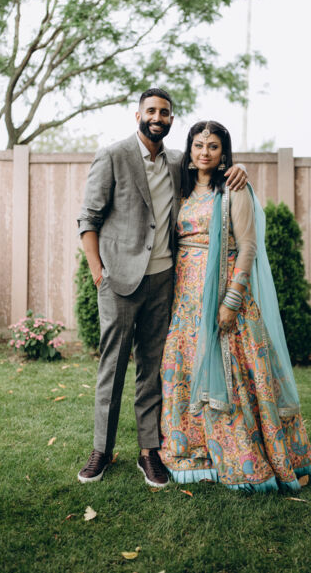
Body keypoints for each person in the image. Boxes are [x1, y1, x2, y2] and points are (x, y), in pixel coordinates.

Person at [76, 90, 247, 487]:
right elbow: (88, 219)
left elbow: (211, 166)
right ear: (137, 114)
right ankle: (101, 450)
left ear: (171, 119)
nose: (157, 117)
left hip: (164, 280)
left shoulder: (176, 161)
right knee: (113, 367)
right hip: (119, 281)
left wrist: (240, 169)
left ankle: (149, 451)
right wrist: (99, 273)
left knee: (152, 370)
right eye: (151, 111)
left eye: (164, 112)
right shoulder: (113, 155)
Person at [160, 120, 311, 492]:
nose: (205, 152)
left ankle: (246, 458)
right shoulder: (182, 190)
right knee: (185, 372)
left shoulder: (233, 189)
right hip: (186, 301)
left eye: (213, 146)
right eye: (198, 145)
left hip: (225, 296)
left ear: (223, 152)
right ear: (190, 150)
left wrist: (231, 301)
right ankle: (197, 453)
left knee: (234, 376)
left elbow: (247, 247)